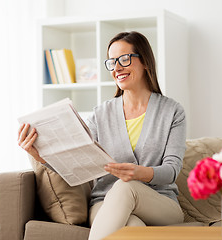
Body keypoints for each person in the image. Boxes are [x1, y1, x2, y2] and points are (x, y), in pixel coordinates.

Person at [18, 31, 186, 240]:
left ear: (145, 62)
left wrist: (138, 173)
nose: (117, 68)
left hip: (161, 203)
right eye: (112, 62)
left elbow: (171, 170)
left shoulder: (172, 111)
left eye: (124, 59)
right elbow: (79, 164)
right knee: (133, 228)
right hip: (105, 202)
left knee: (126, 186)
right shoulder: (100, 114)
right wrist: (40, 156)